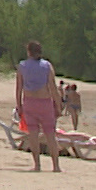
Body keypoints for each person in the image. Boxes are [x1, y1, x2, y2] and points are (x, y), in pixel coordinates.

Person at [15, 40, 63, 172]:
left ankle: (37, 165)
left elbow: (19, 88)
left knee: (33, 134)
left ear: (28, 52)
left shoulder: (22, 66)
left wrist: (19, 105)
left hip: (29, 101)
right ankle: (56, 166)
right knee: (50, 134)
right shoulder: (47, 66)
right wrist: (58, 105)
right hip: (44, 101)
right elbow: (53, 88)